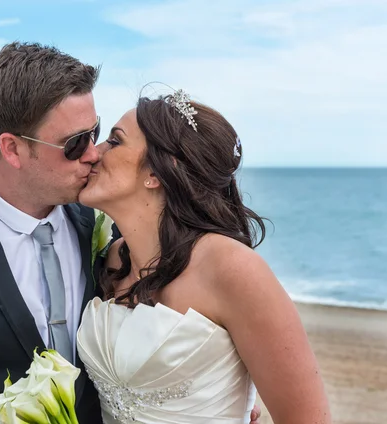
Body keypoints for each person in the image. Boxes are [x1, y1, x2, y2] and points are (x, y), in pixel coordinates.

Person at [0, 42, 263, 423]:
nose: (93, 153)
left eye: (96, 131)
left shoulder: (111, 232)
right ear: (13, 149)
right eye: (73, 144)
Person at [77, 89, 331, 423]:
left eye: (115, 140)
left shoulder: (232, 269)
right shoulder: (112, 260)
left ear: (157, 171)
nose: (94, 152)